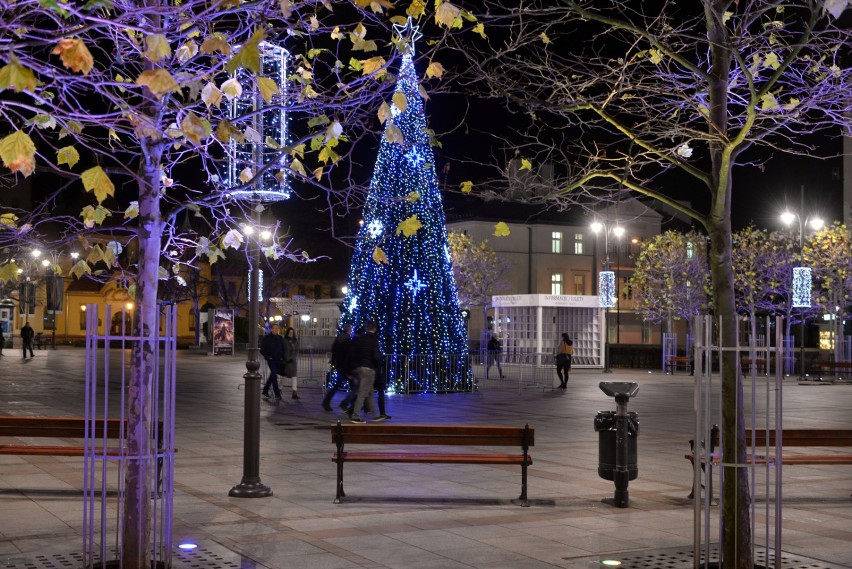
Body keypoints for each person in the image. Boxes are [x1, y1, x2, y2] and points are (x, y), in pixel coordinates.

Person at [346, 321, 382, 423]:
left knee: (370, 391)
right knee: (362, 393)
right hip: (368, 368)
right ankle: (355, 415)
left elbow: (353, 354)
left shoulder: (360, 339)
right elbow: (376, 356)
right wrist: (379, 364)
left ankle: (375, 415)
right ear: (374, 328)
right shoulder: (374, 340)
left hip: (359, 368)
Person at [322, 324, 353, 411]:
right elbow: (349, 355)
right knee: (353, 386)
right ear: (348, 330)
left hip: (339, 365)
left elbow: (333, 351)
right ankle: (348, 404)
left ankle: (327, 401)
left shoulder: (338, 339)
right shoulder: (348, 341)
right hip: (346, 366)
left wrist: (334, 362)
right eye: (351, 329)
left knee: (340, 385)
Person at [260, 323, 285, 400]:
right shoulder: (266, 338)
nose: (276, 330)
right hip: (271, 360)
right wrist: (268, 357)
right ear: (271, 329)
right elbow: (262, 350)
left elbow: (283, 349)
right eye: (275, 328)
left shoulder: (280, 338)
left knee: (273, 376)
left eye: (277, 328)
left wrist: (282, 357)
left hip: (278, 360)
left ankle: (265, 390)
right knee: (274, 374)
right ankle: (277, 393)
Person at [282, 327, 300, 399]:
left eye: (292, 332)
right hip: (286, 361)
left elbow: (296, 351)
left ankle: (294, 392)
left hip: (293, 361)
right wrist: (286, 358)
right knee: (283, 376)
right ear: (287, 333)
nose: (291, 334)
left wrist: (293, 358)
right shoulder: (284, 341)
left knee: (294, 377)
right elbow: (283, 350)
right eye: (290, 332)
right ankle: (279, 389)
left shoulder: (295, 341)